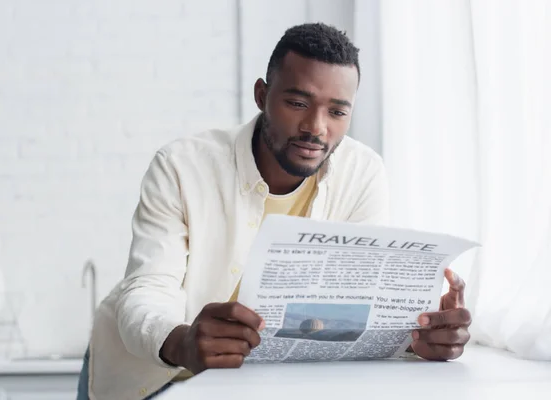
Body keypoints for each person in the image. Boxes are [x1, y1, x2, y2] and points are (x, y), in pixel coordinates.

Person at [77, 22, 472, 400]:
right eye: (298, 103)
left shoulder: (363, 172)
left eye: (337, 112)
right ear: (262, 95)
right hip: (151, 372)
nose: (316, 128)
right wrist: (182, 342)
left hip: (253, 381)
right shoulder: (181, 166)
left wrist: (417, 336)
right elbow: (148, 289)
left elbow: (349, 309)